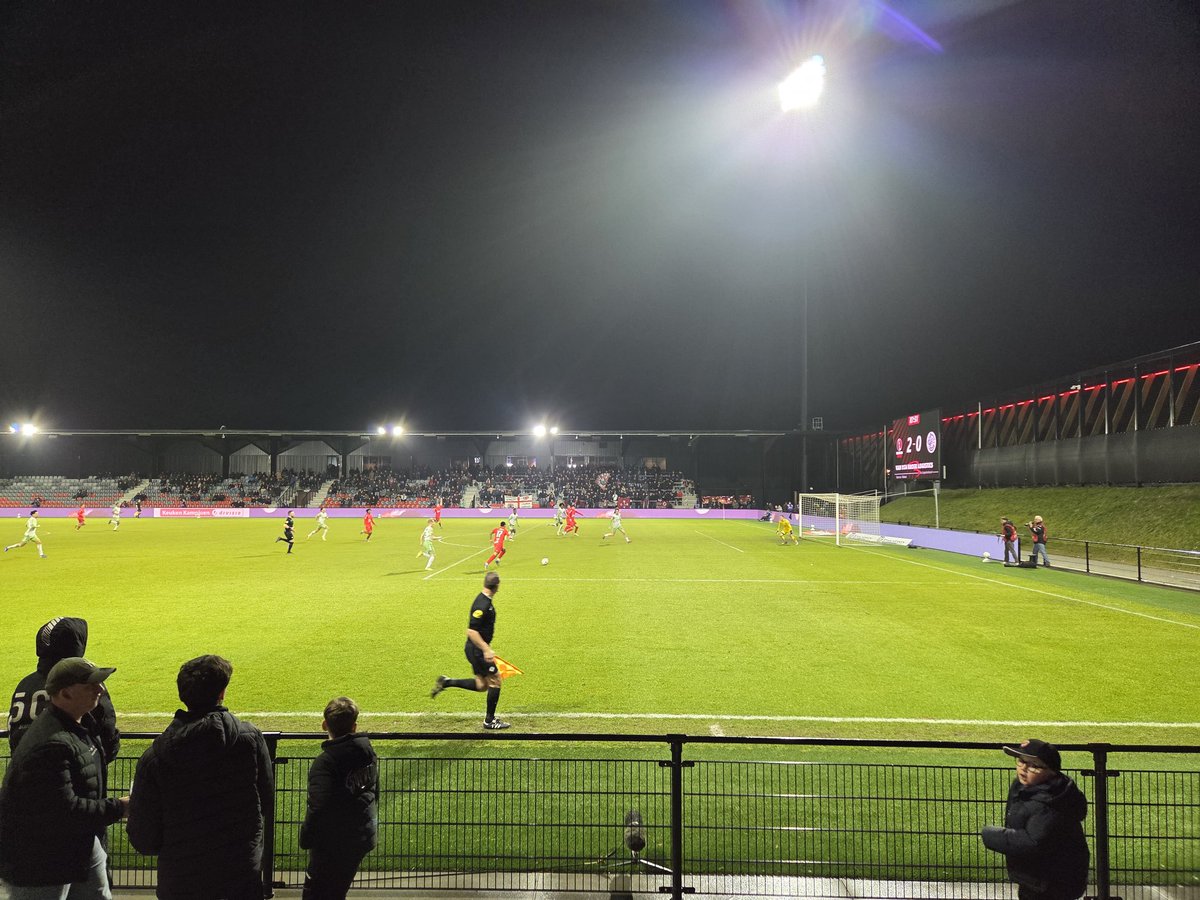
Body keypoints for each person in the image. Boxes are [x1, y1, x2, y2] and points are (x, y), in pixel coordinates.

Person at [127, 655, 275, 900]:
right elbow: (265, 801)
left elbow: (144, 837)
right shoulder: (250, 739)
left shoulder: (154, 758)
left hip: (182, 879)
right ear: (222, 693)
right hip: (239, 875)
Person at [0, 657, 129, 900]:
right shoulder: (50, 746)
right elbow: (65, 811)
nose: (100, 689)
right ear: (65, 693)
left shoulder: (78, 724)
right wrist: (120, 807)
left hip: (77, 843)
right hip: (41, 860)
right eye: (90, 685)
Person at [982, 739, 1089, 900]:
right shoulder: (1023, 788)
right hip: (1035, 880)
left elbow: (1033, 842)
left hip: (1052, 884)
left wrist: (990, 835)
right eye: (1021, 761)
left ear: (1051, 771)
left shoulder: (1052, 802)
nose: (1023, 768)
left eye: (1034, 765)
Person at [8, 617, 121, 763]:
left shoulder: (24, 685)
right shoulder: (85, 684)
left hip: (23, 773)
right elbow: (108, 736)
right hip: (75, 772)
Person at [299, 697, 378, 900]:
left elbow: (318, 807)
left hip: (333, 843)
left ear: (325, 724)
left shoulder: (326, 763)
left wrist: (306, 837)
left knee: (315, 894)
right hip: (360, 838)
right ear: (354, 726)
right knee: (337, 891)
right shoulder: (368, 752)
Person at [430, 571, 510, 730]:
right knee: (495, 680)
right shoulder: (483, 605)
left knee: (481, 685)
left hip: (475, 649)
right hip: (477, 650)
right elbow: (471, 631)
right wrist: (486, 649)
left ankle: (447, 682)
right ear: (496, 587)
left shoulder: (484, 600)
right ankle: (490, 720)